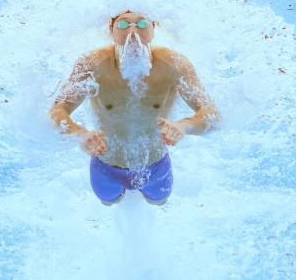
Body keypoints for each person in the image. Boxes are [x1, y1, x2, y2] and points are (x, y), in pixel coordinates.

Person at [49, 10, 220, 206]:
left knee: (159, 202)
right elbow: (57, 111)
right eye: (123, 25)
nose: (132, 31)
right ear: (111, 29)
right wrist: (80, 134)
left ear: (153, 28)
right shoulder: (92, 64)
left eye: (141, 24)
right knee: (108, 201)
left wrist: (184, 126)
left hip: (156, 165)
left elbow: (212, 114)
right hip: (106, 167)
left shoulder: (174, 64)